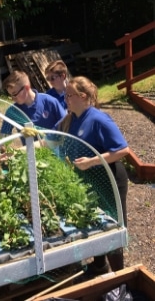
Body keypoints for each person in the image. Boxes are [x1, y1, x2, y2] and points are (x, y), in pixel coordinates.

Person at [53, 76, 129, 275]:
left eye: (69, 95)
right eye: (65, 95)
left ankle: (120, 277)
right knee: (98, 223)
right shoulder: (72, 119)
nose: (65, 100)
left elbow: (122, 150)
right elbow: (50, 138)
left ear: (83, 96)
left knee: (113, 227)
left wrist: (92, 161)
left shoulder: (98, 119)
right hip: (91, 179)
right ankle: (99, 266)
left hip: (110, 179)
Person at [0, 70, 66, 137]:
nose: (13, 98)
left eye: (14, 94)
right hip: (30, 147)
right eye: (10, 95)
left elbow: (67, 123)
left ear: (26, 88)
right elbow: (3, 136)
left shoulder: (49, 101)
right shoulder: (13, 111)